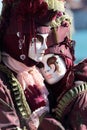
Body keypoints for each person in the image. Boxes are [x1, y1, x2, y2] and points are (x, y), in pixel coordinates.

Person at [0, 0, 66, 129]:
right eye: (39, 39)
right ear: (20, 39)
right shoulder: (2, 85)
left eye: (46, 39)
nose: (45, 47)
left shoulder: (37, 76)